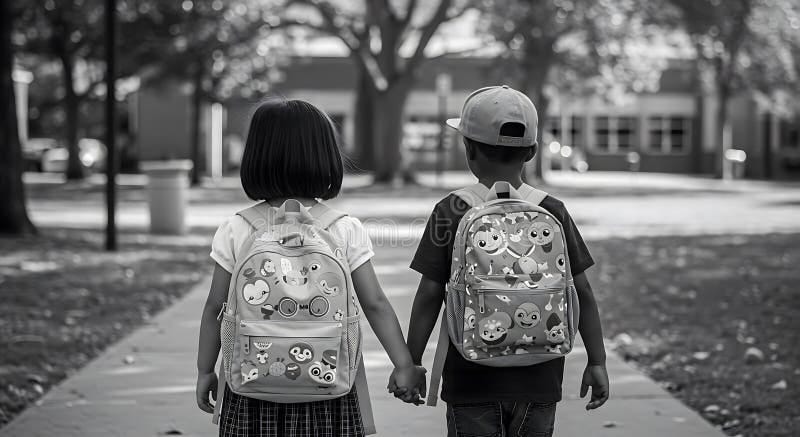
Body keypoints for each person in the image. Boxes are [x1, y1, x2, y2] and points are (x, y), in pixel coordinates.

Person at [195, 97, 426, 437]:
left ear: (256, 157)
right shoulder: (343, 228)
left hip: (251, 382)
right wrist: (404, 364)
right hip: (329, 381)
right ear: (326, 157)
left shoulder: (237, 228)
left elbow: (216, 307)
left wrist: (205, 370)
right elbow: (374, 303)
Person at [400, 86, 610, 437]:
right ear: (532, 151)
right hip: (540, 377)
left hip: (471, 379)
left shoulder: (451, 210)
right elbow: (582, 291)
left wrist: (411, 361)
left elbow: (429, 294)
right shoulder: (552, 209)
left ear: (468, 148)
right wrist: (598, 360)